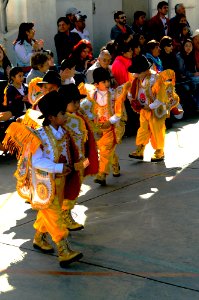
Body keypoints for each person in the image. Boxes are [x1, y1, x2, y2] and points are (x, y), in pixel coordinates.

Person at [3, 90, 84, 267]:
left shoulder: (62, 130)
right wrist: (59, 167)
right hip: (45, 183)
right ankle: (63, 250)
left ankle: (39, 238)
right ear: (52, 117)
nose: (66, 116)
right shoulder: (39, 136)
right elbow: (38, 161)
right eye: (63, 113)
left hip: (60, 180)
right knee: (55, 215)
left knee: (48, 212)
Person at [79, 67, 131, 185]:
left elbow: (119, 113)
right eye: (104, 82)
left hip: (112, 127)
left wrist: (111, 121)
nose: (107, 84)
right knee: (104, 149)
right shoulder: (91, 96)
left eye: (108, 81)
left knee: (105, 150)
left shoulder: (114, 95)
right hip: (98, 129)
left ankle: (102, 174)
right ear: (96, 84)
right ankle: (115, 164)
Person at [59, 84, 98, 229]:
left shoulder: (79, 116)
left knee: (77, 184)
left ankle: (66, 212)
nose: (77, 105)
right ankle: (65, 215)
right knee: (70, 188)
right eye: (73, 102)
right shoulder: (61, 120)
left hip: (82, 158)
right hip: (69, 161)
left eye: (78, 102)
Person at [128, 55, 181, 162]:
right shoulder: (137, 79)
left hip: (157, 110)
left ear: (144, 70)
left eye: (137, 72)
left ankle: (159, 150)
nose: (135, 74)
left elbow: (161, 98)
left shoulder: (156, 79)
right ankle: (140, 148)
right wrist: (132, 100)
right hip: (144, 109)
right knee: (143, 129)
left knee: (157, 129)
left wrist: (150, 106)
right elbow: (132, 92)